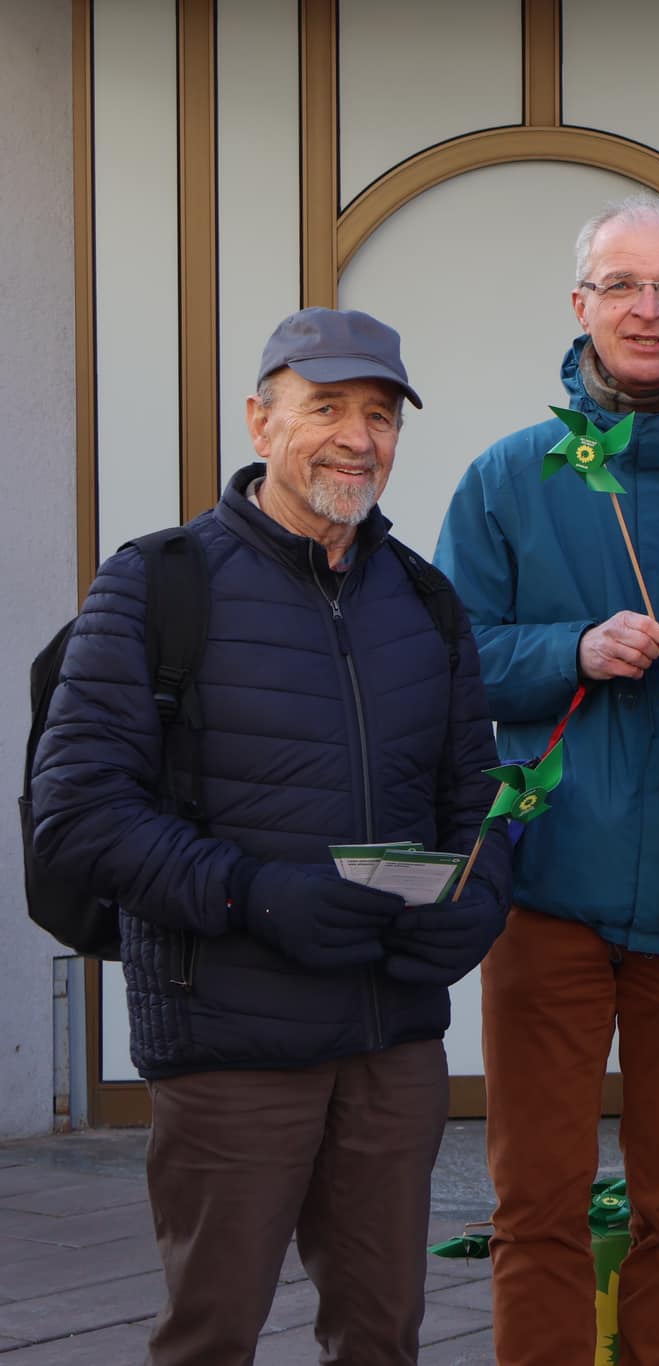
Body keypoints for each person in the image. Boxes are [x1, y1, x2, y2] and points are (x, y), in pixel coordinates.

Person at [30, 307, 509, 1366]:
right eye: (326, 408)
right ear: (259, 421)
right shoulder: (159, 585)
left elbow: (478, 798)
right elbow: (77, 813)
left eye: (379, 415)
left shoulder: (425, 601)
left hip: (390, 1044)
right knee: (213, 1337)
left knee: (382, 1334)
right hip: (230, 1043)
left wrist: (478, 905)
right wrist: (255, 893)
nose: (356, 438)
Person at [434, 193, 659, 1366]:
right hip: (546, 890)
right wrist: (567, 648)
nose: (647, 308)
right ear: (580, 306)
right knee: (537, 1198)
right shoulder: (506, 476)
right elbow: (449, 661)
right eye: (622, 286)